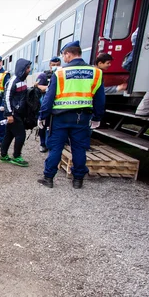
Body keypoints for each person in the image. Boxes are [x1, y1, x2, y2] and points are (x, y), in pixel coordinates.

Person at [37, 41, 105, 189]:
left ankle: (48, 178)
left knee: (56, 148)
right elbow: (100, 98)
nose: (64, 59)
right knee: (79, 148)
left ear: (68, 54)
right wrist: (97, 117)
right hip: (83, 117)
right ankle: (78, 180)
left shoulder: (60, 73)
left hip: (60, 118)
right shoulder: (96, 72)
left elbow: (49, 98)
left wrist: (42, 116)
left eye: (64, 55)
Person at [0, 59, 32, 167]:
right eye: (28, 68)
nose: (29, 70)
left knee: (9, 134)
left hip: (17, 113)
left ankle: (3, 155)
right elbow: (7, 98)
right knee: (20, 135)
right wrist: (9, 114)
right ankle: (16, 156)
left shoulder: (22, 80)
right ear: (23, 68)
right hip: (13, 113)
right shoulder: (13, 80)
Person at [35, 57, 61, 152]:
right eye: (53, 65)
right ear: (50, 65)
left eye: (57, 65)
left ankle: (51, 144)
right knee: (43, 125)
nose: (55, 67)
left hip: (58, 104)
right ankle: (43, 144)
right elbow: (37, 85)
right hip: (45, 103)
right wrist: (50, 88)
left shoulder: (61, 74)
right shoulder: (43, 75)